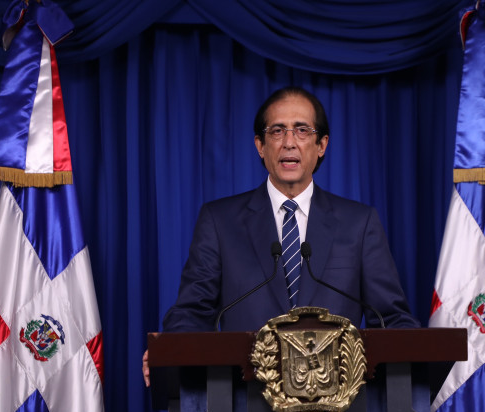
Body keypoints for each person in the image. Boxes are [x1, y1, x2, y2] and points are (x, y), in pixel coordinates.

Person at [143, 86, 418, 385]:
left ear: (321, 144)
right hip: (243, 400)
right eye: (277, 131)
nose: (289, 142)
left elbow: (390, 318)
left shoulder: (359, 224)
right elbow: (193, 312)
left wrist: (417, 350)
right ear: (260, 146)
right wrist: (170, 349)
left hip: (340, 403)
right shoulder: (220, 222)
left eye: (302, 130)